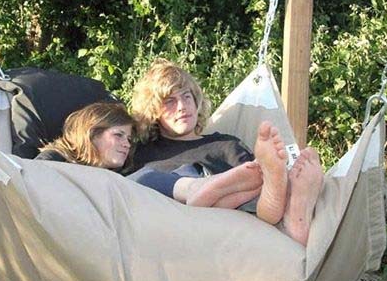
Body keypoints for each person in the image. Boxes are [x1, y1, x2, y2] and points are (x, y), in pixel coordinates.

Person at [131, 58, 324, 246]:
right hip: (177, 227)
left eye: (186, 96)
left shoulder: (225, 145)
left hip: (238, 225)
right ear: (153, 111)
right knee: (146, 179)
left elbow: (251, 180)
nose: (182, 106)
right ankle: (288, 209)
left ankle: (286, 205)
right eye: (170, 101)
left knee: (256, 186)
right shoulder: (141, 153)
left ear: (196, 101)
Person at [36, 102, 265, 209]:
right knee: (144, 177)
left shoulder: (120, 169)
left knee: (175, 173)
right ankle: (200, 188)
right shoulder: (54, 159)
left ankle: (215, 192)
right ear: (92, 133)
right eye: (118, 135)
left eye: (128, 139)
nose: (126, 144)